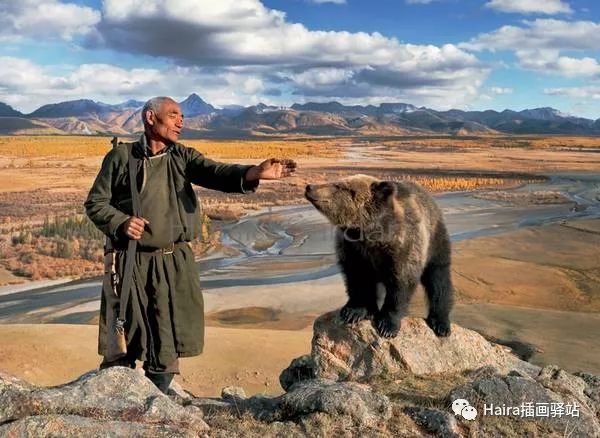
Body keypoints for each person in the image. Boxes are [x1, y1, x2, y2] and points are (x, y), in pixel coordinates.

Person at [85, 96, 296, 392]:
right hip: (132, 261)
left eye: (182, 116)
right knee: (126, 337)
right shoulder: (122, 158)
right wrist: (120, 222)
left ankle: (159, 400)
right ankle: (119, 401)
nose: (180, 122)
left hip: (173, 263)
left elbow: (216, 172)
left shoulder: (182, 156)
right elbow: (96, 203)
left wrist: (253, 173)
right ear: (150, 117)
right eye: (173, 115)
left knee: (166, 334)